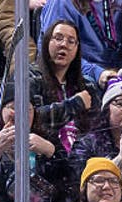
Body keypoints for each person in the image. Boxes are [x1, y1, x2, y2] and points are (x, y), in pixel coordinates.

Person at [33, 19, 99, 155]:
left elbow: (97, 129)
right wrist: (75, 104)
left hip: (82, 158)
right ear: (46, 42)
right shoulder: (31, 77)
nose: (64, 44)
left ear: (77, 48)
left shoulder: (87, 86)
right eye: (58, 38)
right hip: (44, 156)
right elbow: (33, 118)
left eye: (71, 41)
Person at [39, 0, 122, 87]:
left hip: (119, 70)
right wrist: (98, 73)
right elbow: (54, 54)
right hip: (82, 74)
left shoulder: (120, 3)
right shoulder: (61, 4)